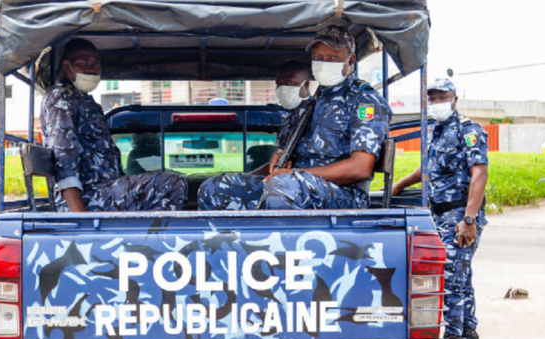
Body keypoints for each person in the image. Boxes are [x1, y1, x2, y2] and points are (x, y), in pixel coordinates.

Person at [199, 26, 391, 210]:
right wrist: (280, 161)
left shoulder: (364, 100)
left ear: (350, 61)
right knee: (215, 188)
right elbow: (287, 162)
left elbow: (361, 168)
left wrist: (293, 174)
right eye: (318, 58)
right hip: (294, 185)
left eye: (333, 58)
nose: (325, 63)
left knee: (283, 187)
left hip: (344, 195)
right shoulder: (311, 105)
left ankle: (276, 243)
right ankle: (228, 242)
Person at [391, 78, 489, 339]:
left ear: (455, 99)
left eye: (442, 97)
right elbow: (428, 168)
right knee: (462, 279)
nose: (436, 102)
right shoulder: (436, 131)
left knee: (451, 284)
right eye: (431, 98)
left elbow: (480, 174)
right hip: (441, 215)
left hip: (460, 216)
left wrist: (469, 220)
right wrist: (399, 185)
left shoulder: (468, 129)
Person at [41, 39, 186, 212]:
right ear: (66, 67)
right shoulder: (61, 98)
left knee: (171, 180)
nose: (90, 68)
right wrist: (80, 218)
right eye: (82, 63)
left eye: (96, 64)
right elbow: (63, 159)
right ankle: (155, 238)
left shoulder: (88, 102)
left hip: (104, 192)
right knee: (170, 183)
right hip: (87, 198)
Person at [197, 60, 313, 210]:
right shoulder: (288, 121)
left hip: (300, 188)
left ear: (307, 84)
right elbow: (279, 163)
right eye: (279, 85)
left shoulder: (318, 116)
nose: (283, 89)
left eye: (290, 82)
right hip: (279, 183)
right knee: (213, 186)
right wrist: (247, 175)